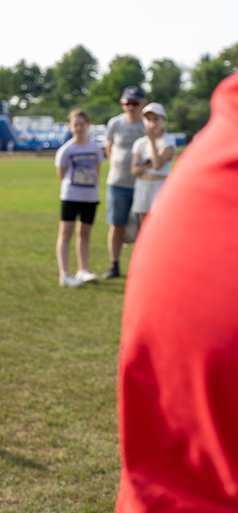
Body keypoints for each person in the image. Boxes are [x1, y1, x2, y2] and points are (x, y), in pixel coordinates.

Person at [116, 73, 238, 511]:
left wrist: (154, 154)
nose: (145, 120)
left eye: (151, 116)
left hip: (165, 196)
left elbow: (159, 163)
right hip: (152, 197)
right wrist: (151, 154)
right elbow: (140, 168)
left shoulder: (206, 143)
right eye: (140, 114)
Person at [54, 109, 103, 287]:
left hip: (90, 197)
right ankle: (64, 274)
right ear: (71, 127)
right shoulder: (66, 150)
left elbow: (97, 172)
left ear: (88, 125)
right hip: (71, 196)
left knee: (85, 234)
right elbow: (61, 174)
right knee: (66, 234)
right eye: (75, 124)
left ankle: (83, 270)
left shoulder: (95, 148)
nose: (79, 128)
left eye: (82, 124)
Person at [103, 86, 147, 279]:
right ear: (122, 104)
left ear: (143, 104)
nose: (131, 107)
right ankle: (114, 266)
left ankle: (142, 268)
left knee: (144, 228)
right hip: (118, 183)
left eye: (135, 103)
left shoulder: (147, 124)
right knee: (116, 225)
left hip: (142, 184)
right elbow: (109, 150)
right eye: (128, 103)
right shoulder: (115, 124)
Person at [129, 102, 175, 227]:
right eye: (148, 119)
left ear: (163, 120)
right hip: (142, 185)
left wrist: (152, 142)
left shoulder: (168, 140)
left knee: (160, 224)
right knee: (144, 226)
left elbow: (157, 165)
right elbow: (134, 171)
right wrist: (150, 161)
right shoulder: (139, 143)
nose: (152, 123)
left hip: (159, 186)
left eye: (156, 119)